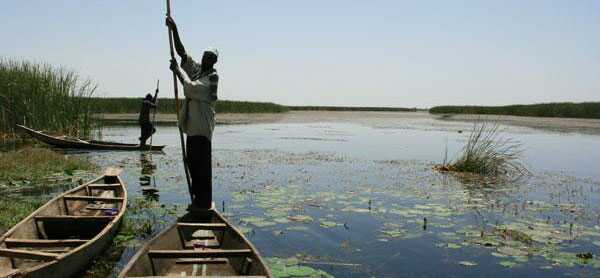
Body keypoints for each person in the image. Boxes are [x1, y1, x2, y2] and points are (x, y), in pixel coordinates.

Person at [167, 16, 219, 209]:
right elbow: (182, 54)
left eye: (209, 57)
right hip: (192, 129)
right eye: (204, 55)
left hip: (203, 130)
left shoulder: (212, 78)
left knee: (202, 168)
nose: (205, 58)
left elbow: (193, 88)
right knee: (192, 164)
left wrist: (177, 73)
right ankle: (198, 199)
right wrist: (174, 30)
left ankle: (204, 203)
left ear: (213, 61)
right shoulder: (198, 71)